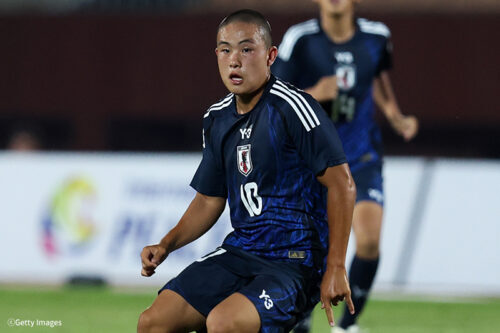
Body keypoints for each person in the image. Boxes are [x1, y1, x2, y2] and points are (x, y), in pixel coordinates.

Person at [138, 9, 357, 333]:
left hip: (295, 262)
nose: (234, 60)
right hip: (241, 251)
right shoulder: (216, 119)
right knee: (153, 322)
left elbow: (342, 185)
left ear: (270, 56)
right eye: (225, 50)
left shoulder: (294, 107)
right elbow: (209, 199)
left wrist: (336, 266)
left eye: (246, 49)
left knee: (223, 323)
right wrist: (167, 244)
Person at [272, 1, 418, 332]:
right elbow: (274, 99)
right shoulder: (301, 39)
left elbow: (378, 79)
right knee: (310, 250)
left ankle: (346, 326)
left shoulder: (378, 36)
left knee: (368, 241)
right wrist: (316, 93)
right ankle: (303, 315)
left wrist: (395, 116)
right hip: (315, 162)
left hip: (362, 156)